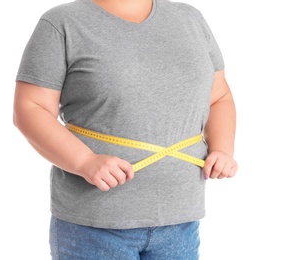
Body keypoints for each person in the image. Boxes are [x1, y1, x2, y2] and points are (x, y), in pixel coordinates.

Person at [13, 0, 238, 259]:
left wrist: (222, 148)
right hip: (94, 227)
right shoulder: (61, 24)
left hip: (181, 220)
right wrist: (84, 161)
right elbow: (30, 109)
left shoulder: (191, 19)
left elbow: (219, 96)